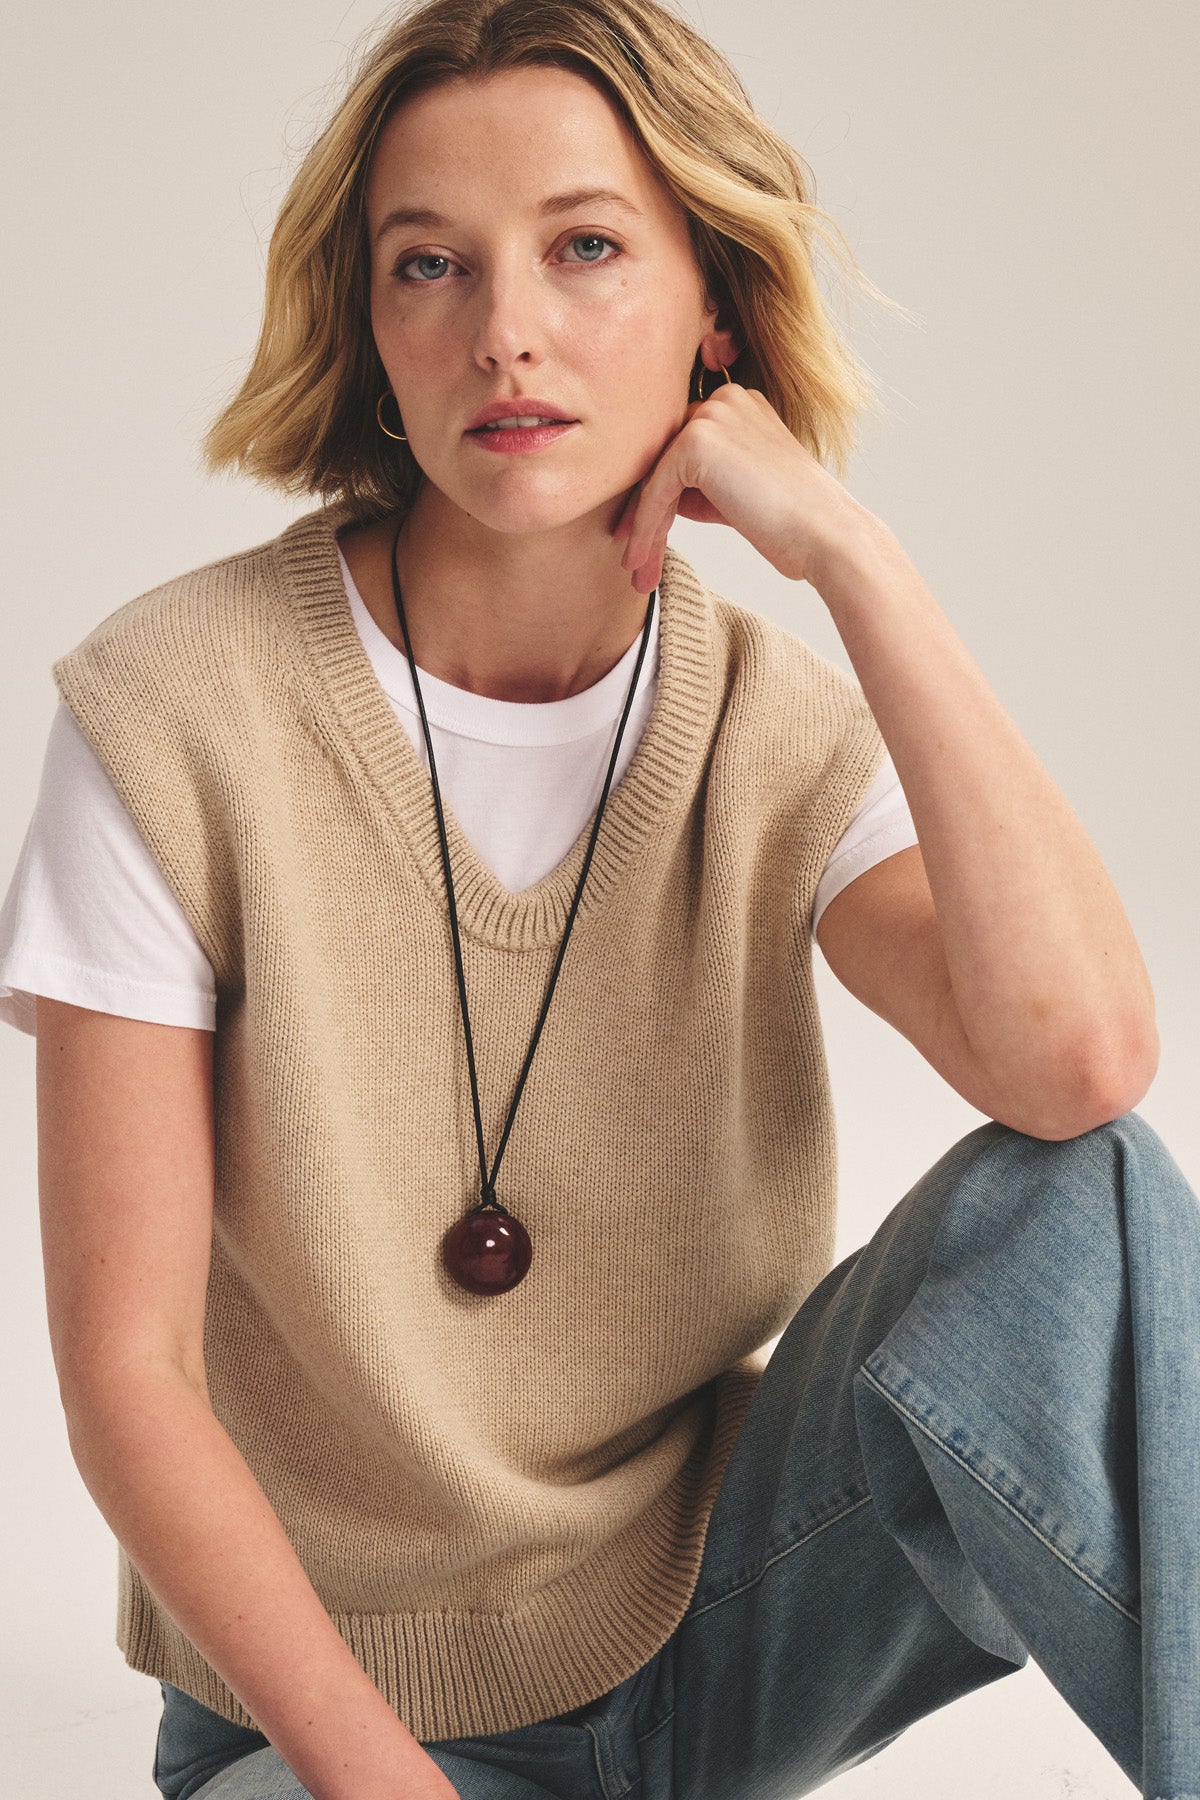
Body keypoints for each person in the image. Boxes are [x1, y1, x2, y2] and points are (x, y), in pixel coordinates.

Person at [3, 0, 1197, 1796]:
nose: (507, 334)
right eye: (430, 267)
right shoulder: (177, 720)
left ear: (711, 307)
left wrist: (851, 554)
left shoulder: (763, 722)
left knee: (1084, 1199)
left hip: (718, 1621)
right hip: (335, 1721)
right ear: (371, 326)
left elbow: (1082, 1067)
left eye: (584, 249)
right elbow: (130, 1382)